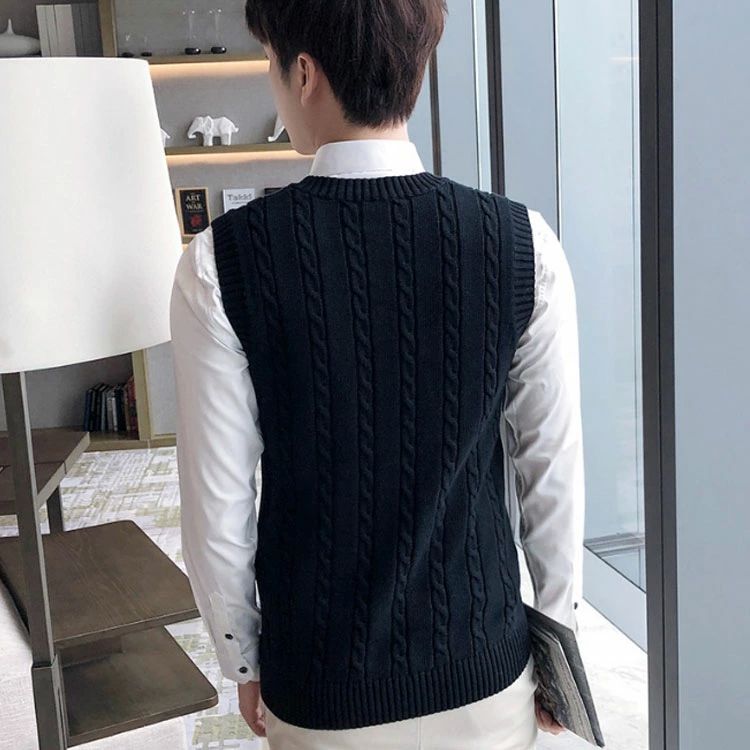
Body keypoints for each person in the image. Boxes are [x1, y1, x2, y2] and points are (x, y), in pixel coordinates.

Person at [170, 1, 585, 748]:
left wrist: (243, 660)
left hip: (321, 686)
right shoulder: (524, 244)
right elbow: (549, 468)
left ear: (303, 73)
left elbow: (217, 506)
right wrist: (558, 644)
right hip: (485, 672)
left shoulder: (220, 263)